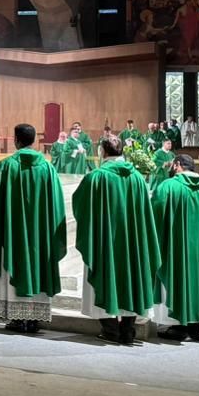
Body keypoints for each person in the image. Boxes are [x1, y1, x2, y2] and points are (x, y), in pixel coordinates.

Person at [73, 137, 162, 345]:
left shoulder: (97, 177)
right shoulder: (138, 178)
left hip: (106, 241)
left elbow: (80, 205)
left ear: (103, 151)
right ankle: (128, 331)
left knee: (106, 274)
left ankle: (110, 330)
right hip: (133, 242)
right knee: (132, 278)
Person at [0, 123, 66, 334]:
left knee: (14, 264)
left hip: (15, 233)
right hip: (41, 235)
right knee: (38, 267)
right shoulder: (48, 168)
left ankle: (17, 318)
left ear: (16, 140)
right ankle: (33, 319)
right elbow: (57, 204)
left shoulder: (6, 167)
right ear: (32, 141)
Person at [151, 153, 199, 343]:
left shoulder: (168, 186)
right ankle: (196, 328)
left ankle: (179, 325)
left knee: (177, 280)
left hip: (175, 248)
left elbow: (156, 215)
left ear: (177, 165)